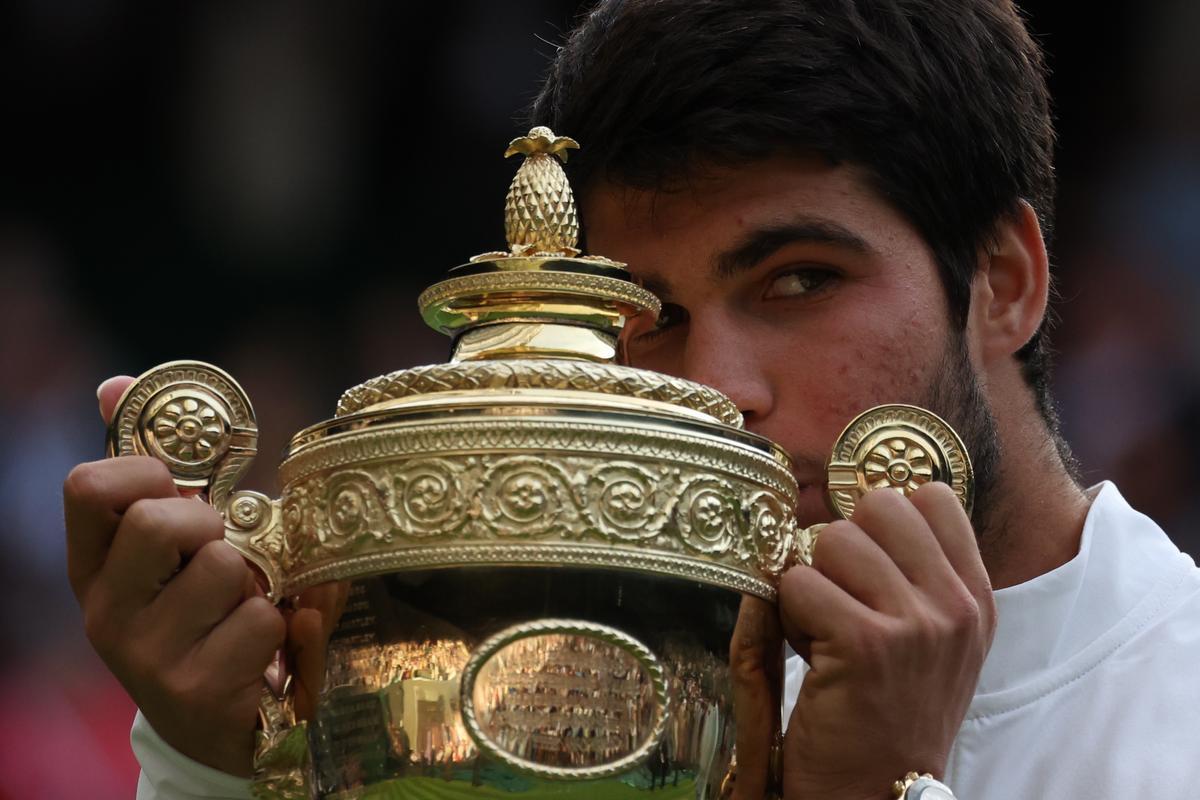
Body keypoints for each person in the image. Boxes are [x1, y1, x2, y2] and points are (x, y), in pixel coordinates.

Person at [62, 1, 1200, 798]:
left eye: (800, 281)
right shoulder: (531, 679)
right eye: (645, 319)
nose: (714, 387)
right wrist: (220, 758)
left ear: (1004, 283)